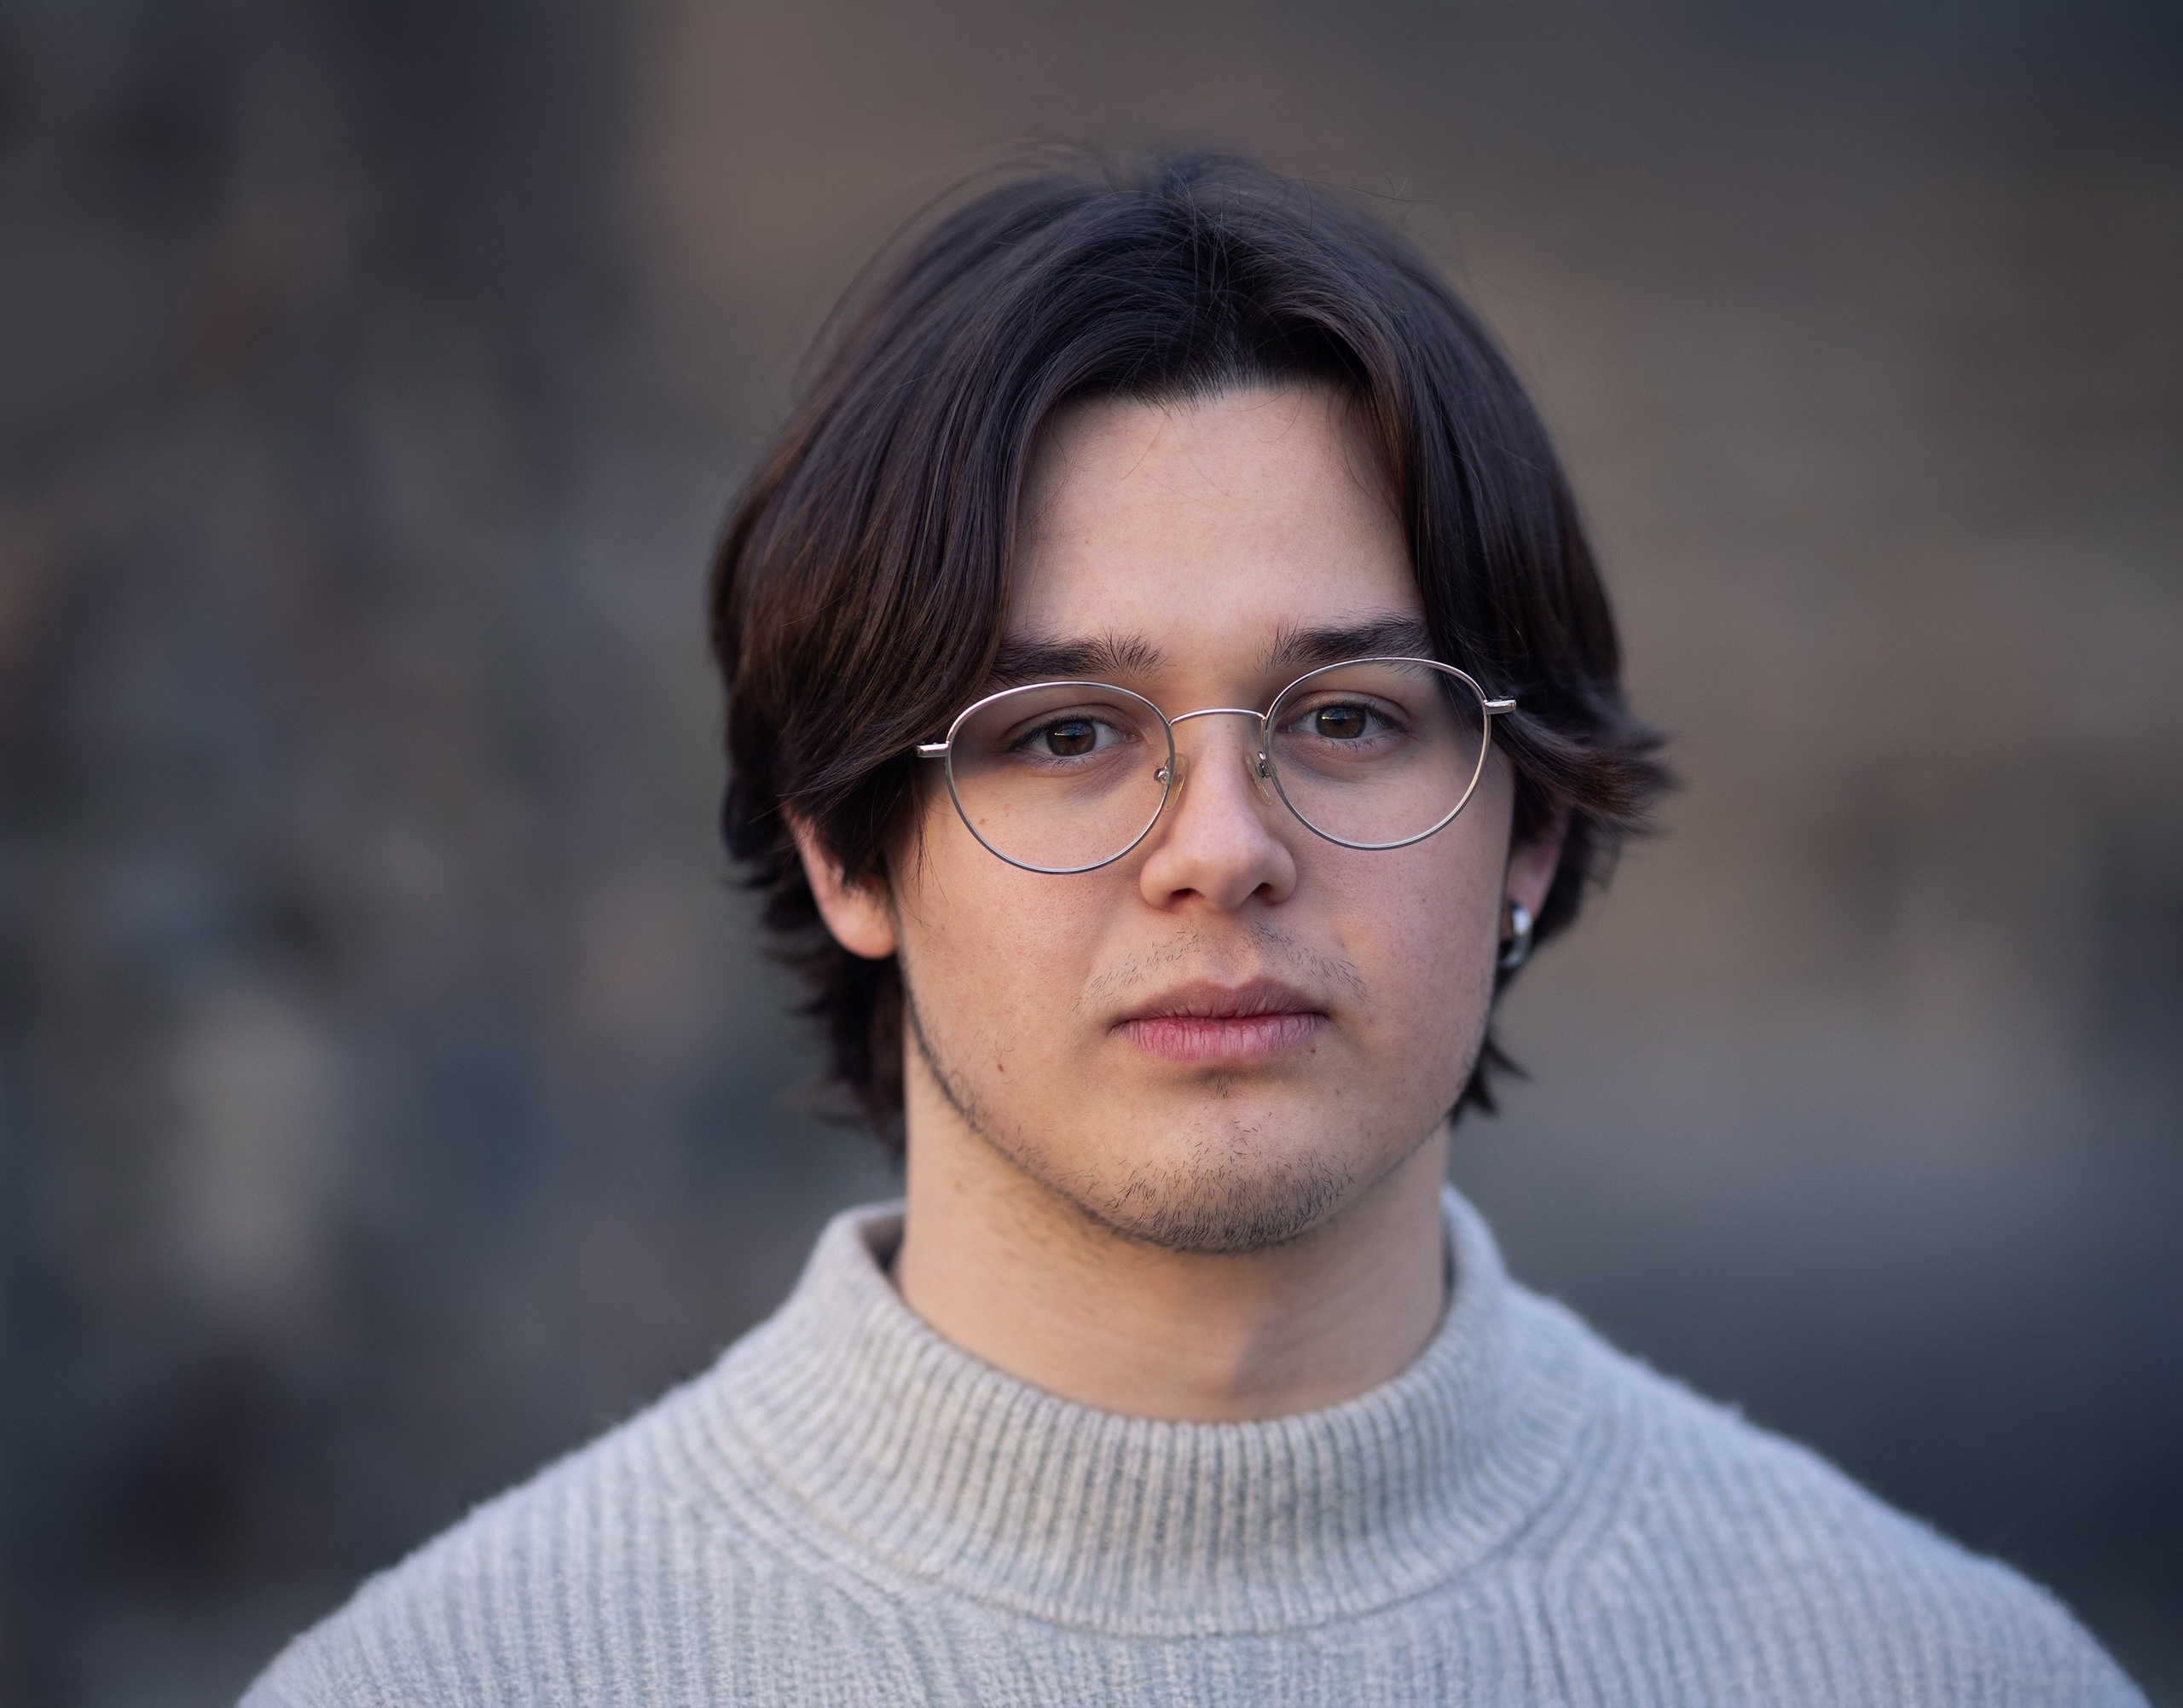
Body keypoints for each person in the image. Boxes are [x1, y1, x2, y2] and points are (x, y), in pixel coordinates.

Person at [243, 154, 2144, 1706]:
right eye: (1064, 734)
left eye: (1348, 720)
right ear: (845, 853)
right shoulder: (457, 1685)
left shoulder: (1940, 1677)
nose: (1219, 852)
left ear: (1534, 828)